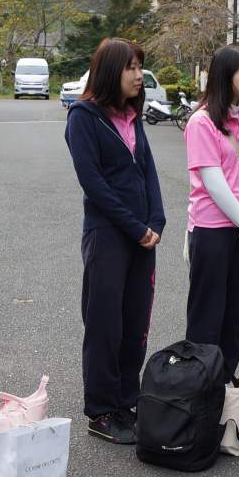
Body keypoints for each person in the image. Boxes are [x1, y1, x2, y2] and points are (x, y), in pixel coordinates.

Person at [64, 37, 166, 444]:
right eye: (131, 68)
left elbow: (148, 171)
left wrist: (156, 219)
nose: (139, 76)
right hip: (107, 234)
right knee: (105, 324)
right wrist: (135, 227)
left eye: (140, 67)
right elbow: (94, 184)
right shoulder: (83, 118)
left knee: (135, 322)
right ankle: (102, 410)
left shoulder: (131, 115)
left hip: (142, 235)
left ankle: (127, 400)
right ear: (110, 71)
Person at [184, 45, 239, 378]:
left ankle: (224, 384)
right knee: (207, 316)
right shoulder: (201, 122)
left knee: (236, 315)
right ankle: (198, 387)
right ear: (225, 76)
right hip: (212, 231)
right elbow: (213, 182)